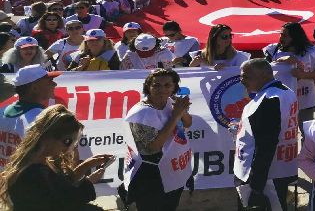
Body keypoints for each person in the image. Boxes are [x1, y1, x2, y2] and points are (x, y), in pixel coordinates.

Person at [0, 104, 112, 210]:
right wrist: (89, 183)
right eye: (67, 141)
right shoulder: (32, 172)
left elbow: (59, 188)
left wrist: (85, 167)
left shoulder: (39, 162)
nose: (68, 149)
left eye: (73, 142)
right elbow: (62, 203)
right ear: (48, 137)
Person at [235, 59, 299, 211]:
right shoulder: (284, 91)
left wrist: (256, 184)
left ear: (264, 75)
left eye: (246, 76)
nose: (241, 81)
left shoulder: (269, 99)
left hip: (267, 175)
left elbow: (266, 143)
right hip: (278, 169)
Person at [124, 68, 193, 211]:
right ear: (148, 87)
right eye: (156, 85)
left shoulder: (171, 102)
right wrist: (175, 116)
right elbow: (153, 147)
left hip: (174, 169)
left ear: (175, 87)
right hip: (151, 176)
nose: (162, 90)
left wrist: (182, 111)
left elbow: (188, 123)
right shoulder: (141, 113)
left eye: (167, 85)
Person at [0, 65, 61, 171]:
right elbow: (54, 158)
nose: (54, 84)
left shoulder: (2, 111)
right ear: (34, 88)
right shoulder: (43, 118)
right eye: (49, 81)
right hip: (30, 183)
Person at [262, 22, 315, 125]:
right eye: (280, 34)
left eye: (285, 35)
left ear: (295, 37)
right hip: (280, 100)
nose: (281, 38)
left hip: (305, 98)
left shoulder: (312, 52)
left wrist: (302, 75)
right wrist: (281, 60)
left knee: (306, 132)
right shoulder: (273, 51)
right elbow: (264, 69)